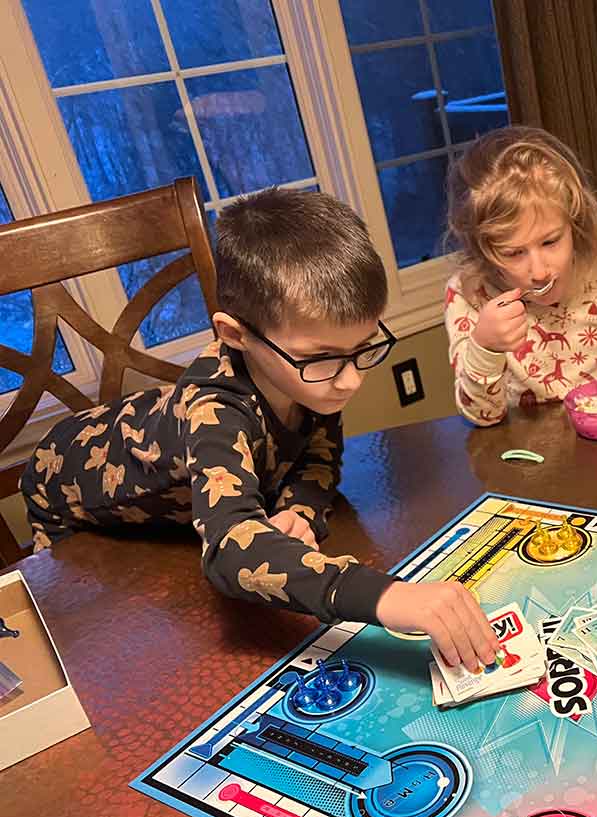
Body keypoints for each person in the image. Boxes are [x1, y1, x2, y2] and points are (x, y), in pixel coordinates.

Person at [22, 188, 499, 669]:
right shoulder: (215, 409)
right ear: (235, 335)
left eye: (363, 348)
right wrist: (389, 597)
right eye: (322, 359)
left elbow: (319, 455)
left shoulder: (310, 371)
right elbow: (229, 551)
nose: (351, 378)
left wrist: (300, 507)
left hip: (178, 511)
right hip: (66, 500)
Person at [443, 126, 597, 425]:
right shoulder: (469, 294)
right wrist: (485, 347)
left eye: (551, 241)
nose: (540, 271)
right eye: (514, 253)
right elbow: (483, 416)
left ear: (574, 222)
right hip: (532, 460)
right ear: (479, 248)